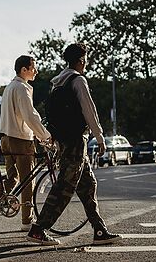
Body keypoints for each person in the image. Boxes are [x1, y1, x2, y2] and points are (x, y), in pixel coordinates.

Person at [26, 43, 123, 246]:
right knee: (65, 187)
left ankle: (99, 230)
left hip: (65, 140)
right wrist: (100, 137)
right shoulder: (78, 81)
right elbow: (89, 111)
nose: (86, 63)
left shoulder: (58, 83)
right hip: (76, 142)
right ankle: (38, 229)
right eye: (85, 59)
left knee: (88, 185)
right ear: (81, 60)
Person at [0, 55, 51, 232]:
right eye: (33, 68)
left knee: (12, 178)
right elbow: (29, 116)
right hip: (20, 139)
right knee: (27, 181)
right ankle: (27, 221)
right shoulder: (22, 88)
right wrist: (45, 136)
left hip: (6, 138)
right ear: (24, 70)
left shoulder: (9, 87)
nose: (36, 71)